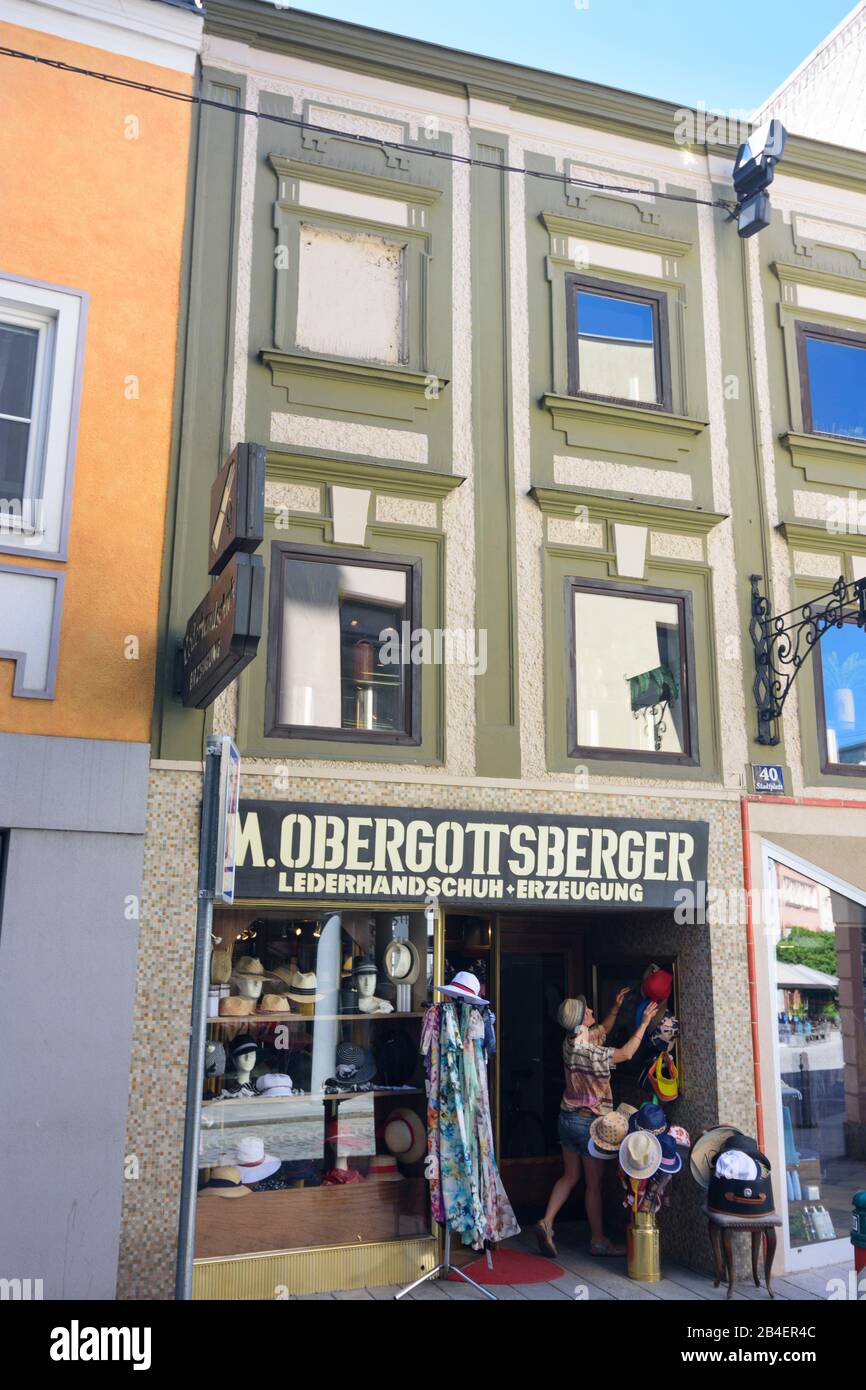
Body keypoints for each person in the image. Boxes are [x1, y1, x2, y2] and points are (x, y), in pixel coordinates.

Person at [534, 989, 659, 1258]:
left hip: (566, 1118)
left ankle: (547, 1221)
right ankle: (599, 1241)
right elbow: (625, 1053)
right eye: (587, 1010)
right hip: (588, 1124)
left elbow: (602, 1028)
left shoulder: (570, 1042)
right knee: (593, 1184)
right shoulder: (591, 1052)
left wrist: (615, 1009)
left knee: (570, 1176)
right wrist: (645, 1023)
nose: (591, 1011)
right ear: (581, 1022)